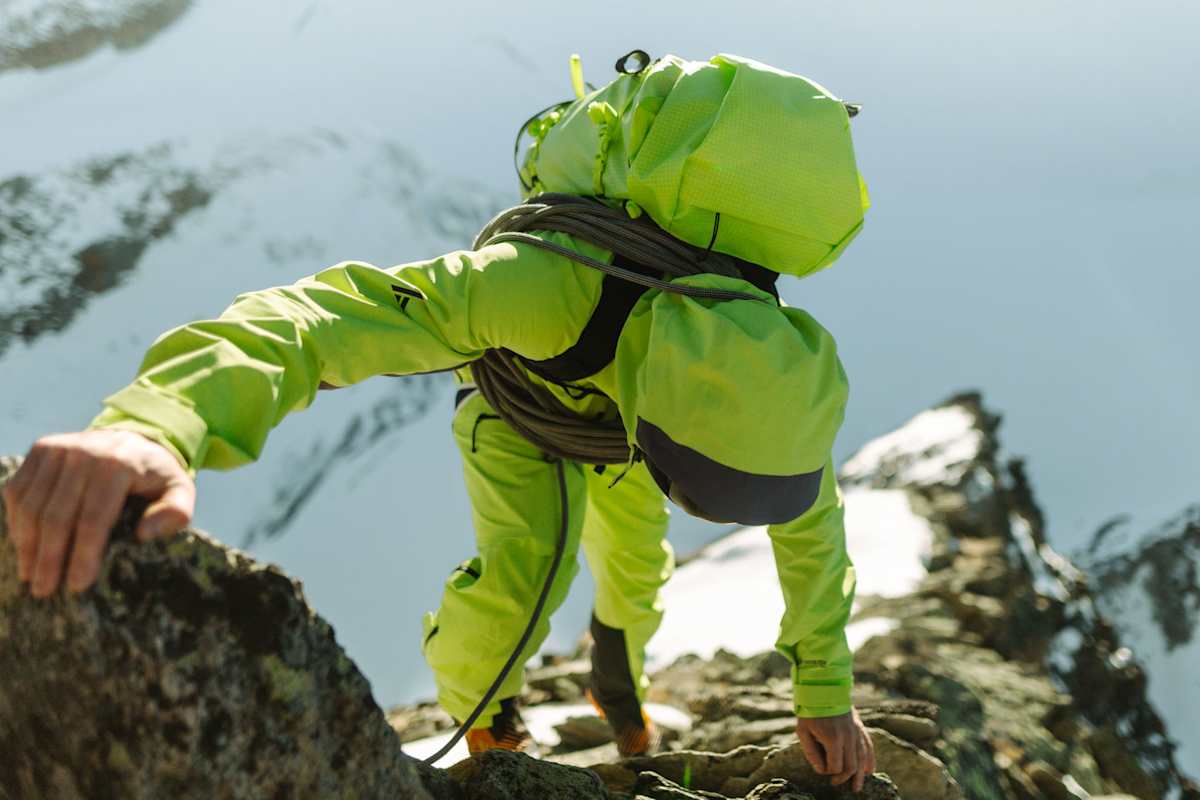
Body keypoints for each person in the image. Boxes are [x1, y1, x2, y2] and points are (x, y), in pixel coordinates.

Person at [1, 51, 878, 791]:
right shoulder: (544, 292)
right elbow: (323, 318)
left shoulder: (778, 391)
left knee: (638, 575)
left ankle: (618, 671)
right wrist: (155, 421)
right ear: (662, 423)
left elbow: (813, 538)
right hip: (518, 409)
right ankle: (487, 715)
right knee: (521, 578)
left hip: (616, 437)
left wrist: (827, 689)